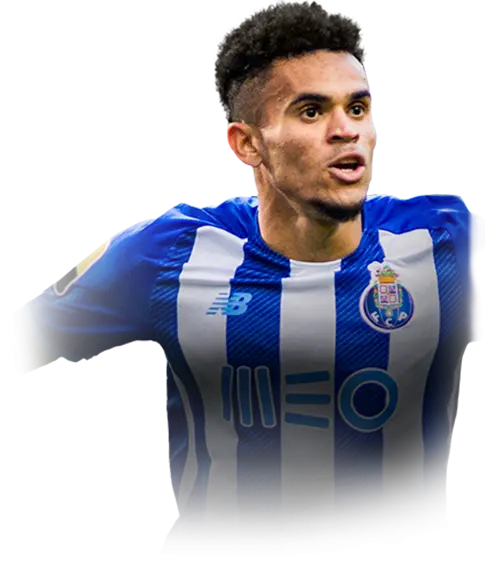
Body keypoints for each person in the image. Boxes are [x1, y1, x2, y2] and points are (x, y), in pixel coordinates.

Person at [9, 1, 485, 561]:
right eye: (311, 111)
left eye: (357, 108)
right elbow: (24, 344)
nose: (346, 131)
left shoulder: (448, 243)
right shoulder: (168, 253)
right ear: (246, 143)